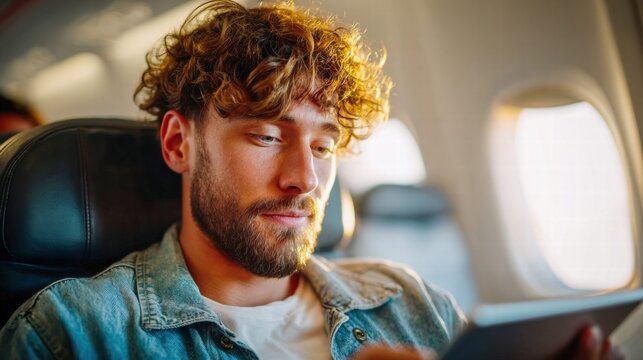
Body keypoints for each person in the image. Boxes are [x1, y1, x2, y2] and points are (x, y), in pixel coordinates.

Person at [0, 1, 624, 359]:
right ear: (178, 143)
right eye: (267, 136)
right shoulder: (73, 332)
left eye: (324, 144)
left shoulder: (406, 302)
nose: (305, 178)